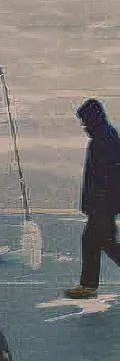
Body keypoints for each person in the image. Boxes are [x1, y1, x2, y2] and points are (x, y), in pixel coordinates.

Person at [64, 98, 120, 298]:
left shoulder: (105, 138)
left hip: (102, 204)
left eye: (85, 120)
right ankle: (88, 285)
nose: (83, 125)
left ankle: (88, 286)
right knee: (104, 243)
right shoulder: (103, 136)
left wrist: (100, 202)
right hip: (102, 203)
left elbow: (109, 175)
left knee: (96, 242)